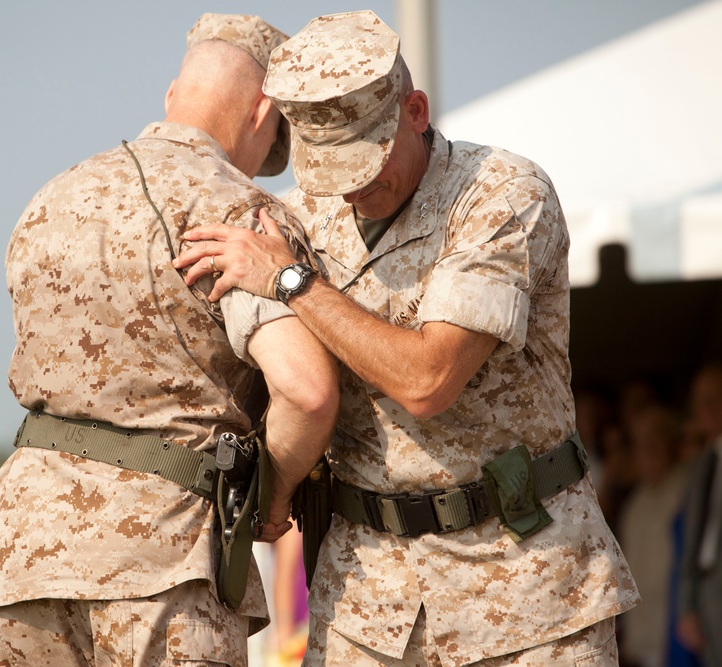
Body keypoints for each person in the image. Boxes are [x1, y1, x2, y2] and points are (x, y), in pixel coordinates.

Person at [176, 10, 638, 666]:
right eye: (326, 164)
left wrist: (293, 281)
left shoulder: (499, 195)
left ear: (415, 110)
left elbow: (429, 380)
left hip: (527, 592)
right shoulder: (295, 218)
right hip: (368, 604)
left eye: (365, 157)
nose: (352, 184)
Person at [0, 14, 339, 667]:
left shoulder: (50, 199)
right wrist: (273, 495)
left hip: (20, 554)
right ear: (262, 114)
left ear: (173, 96)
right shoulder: (240, 215)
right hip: (160, 558)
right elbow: (306, 392)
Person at [617, 405, 691, 667]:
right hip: (641, 639)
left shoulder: (690, 489)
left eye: (654, 439)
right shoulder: (634, 505)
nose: (646, 449)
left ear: (672, 441)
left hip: (679, 634)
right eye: (639, 442)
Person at [676, 362, 722, 666]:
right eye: (699, 400)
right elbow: (693, 540)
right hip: (707, 589)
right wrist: (687, 605)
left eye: (714, 397)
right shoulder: (703, 462)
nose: (704, 408)